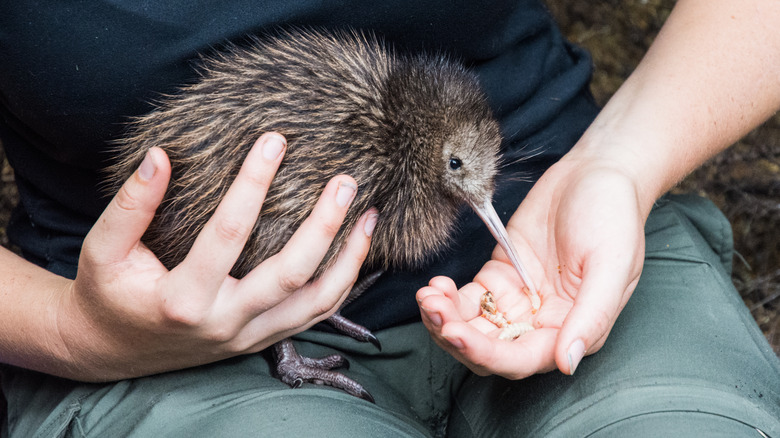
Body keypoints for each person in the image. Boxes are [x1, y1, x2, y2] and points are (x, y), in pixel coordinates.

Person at [1, 0, 778, 436]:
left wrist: (618, 163)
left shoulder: (438, 160)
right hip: (155, 330)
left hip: (570, 232)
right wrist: (78, 331)